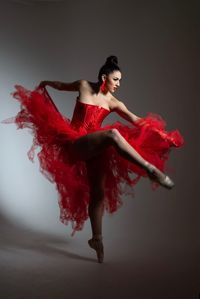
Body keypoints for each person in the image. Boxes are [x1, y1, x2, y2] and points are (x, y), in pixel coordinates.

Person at [3, 55, 184, 263]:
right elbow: (62, 86)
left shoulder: (114, 102)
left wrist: (163, 135)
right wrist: (46, 84)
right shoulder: (83, 85)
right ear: (104, 77)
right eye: (116, 80)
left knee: (98, 193)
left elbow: (138, 121)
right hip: (75, 143)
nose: (118, 84)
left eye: (120, 81)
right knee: (113, 135)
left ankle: (96, 239)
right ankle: (150, 170)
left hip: (94, 145)